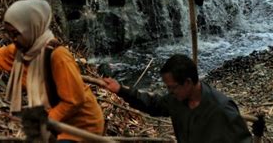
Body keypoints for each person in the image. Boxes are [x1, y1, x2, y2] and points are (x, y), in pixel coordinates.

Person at [0, 0, 104, 142]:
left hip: (82, 125)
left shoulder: (58, 56)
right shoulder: (22, 51)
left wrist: (45, 120)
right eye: (9, 34)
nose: (13, 39)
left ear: (31, 29)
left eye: (16, 34)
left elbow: (74, 101)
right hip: (56, 121)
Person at [102, 54, 252, 143]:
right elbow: (153, 104)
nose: (169, 91)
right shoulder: (177, 100)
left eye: (172, 87)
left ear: (187, 82)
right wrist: (121, 90)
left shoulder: (222, 109)